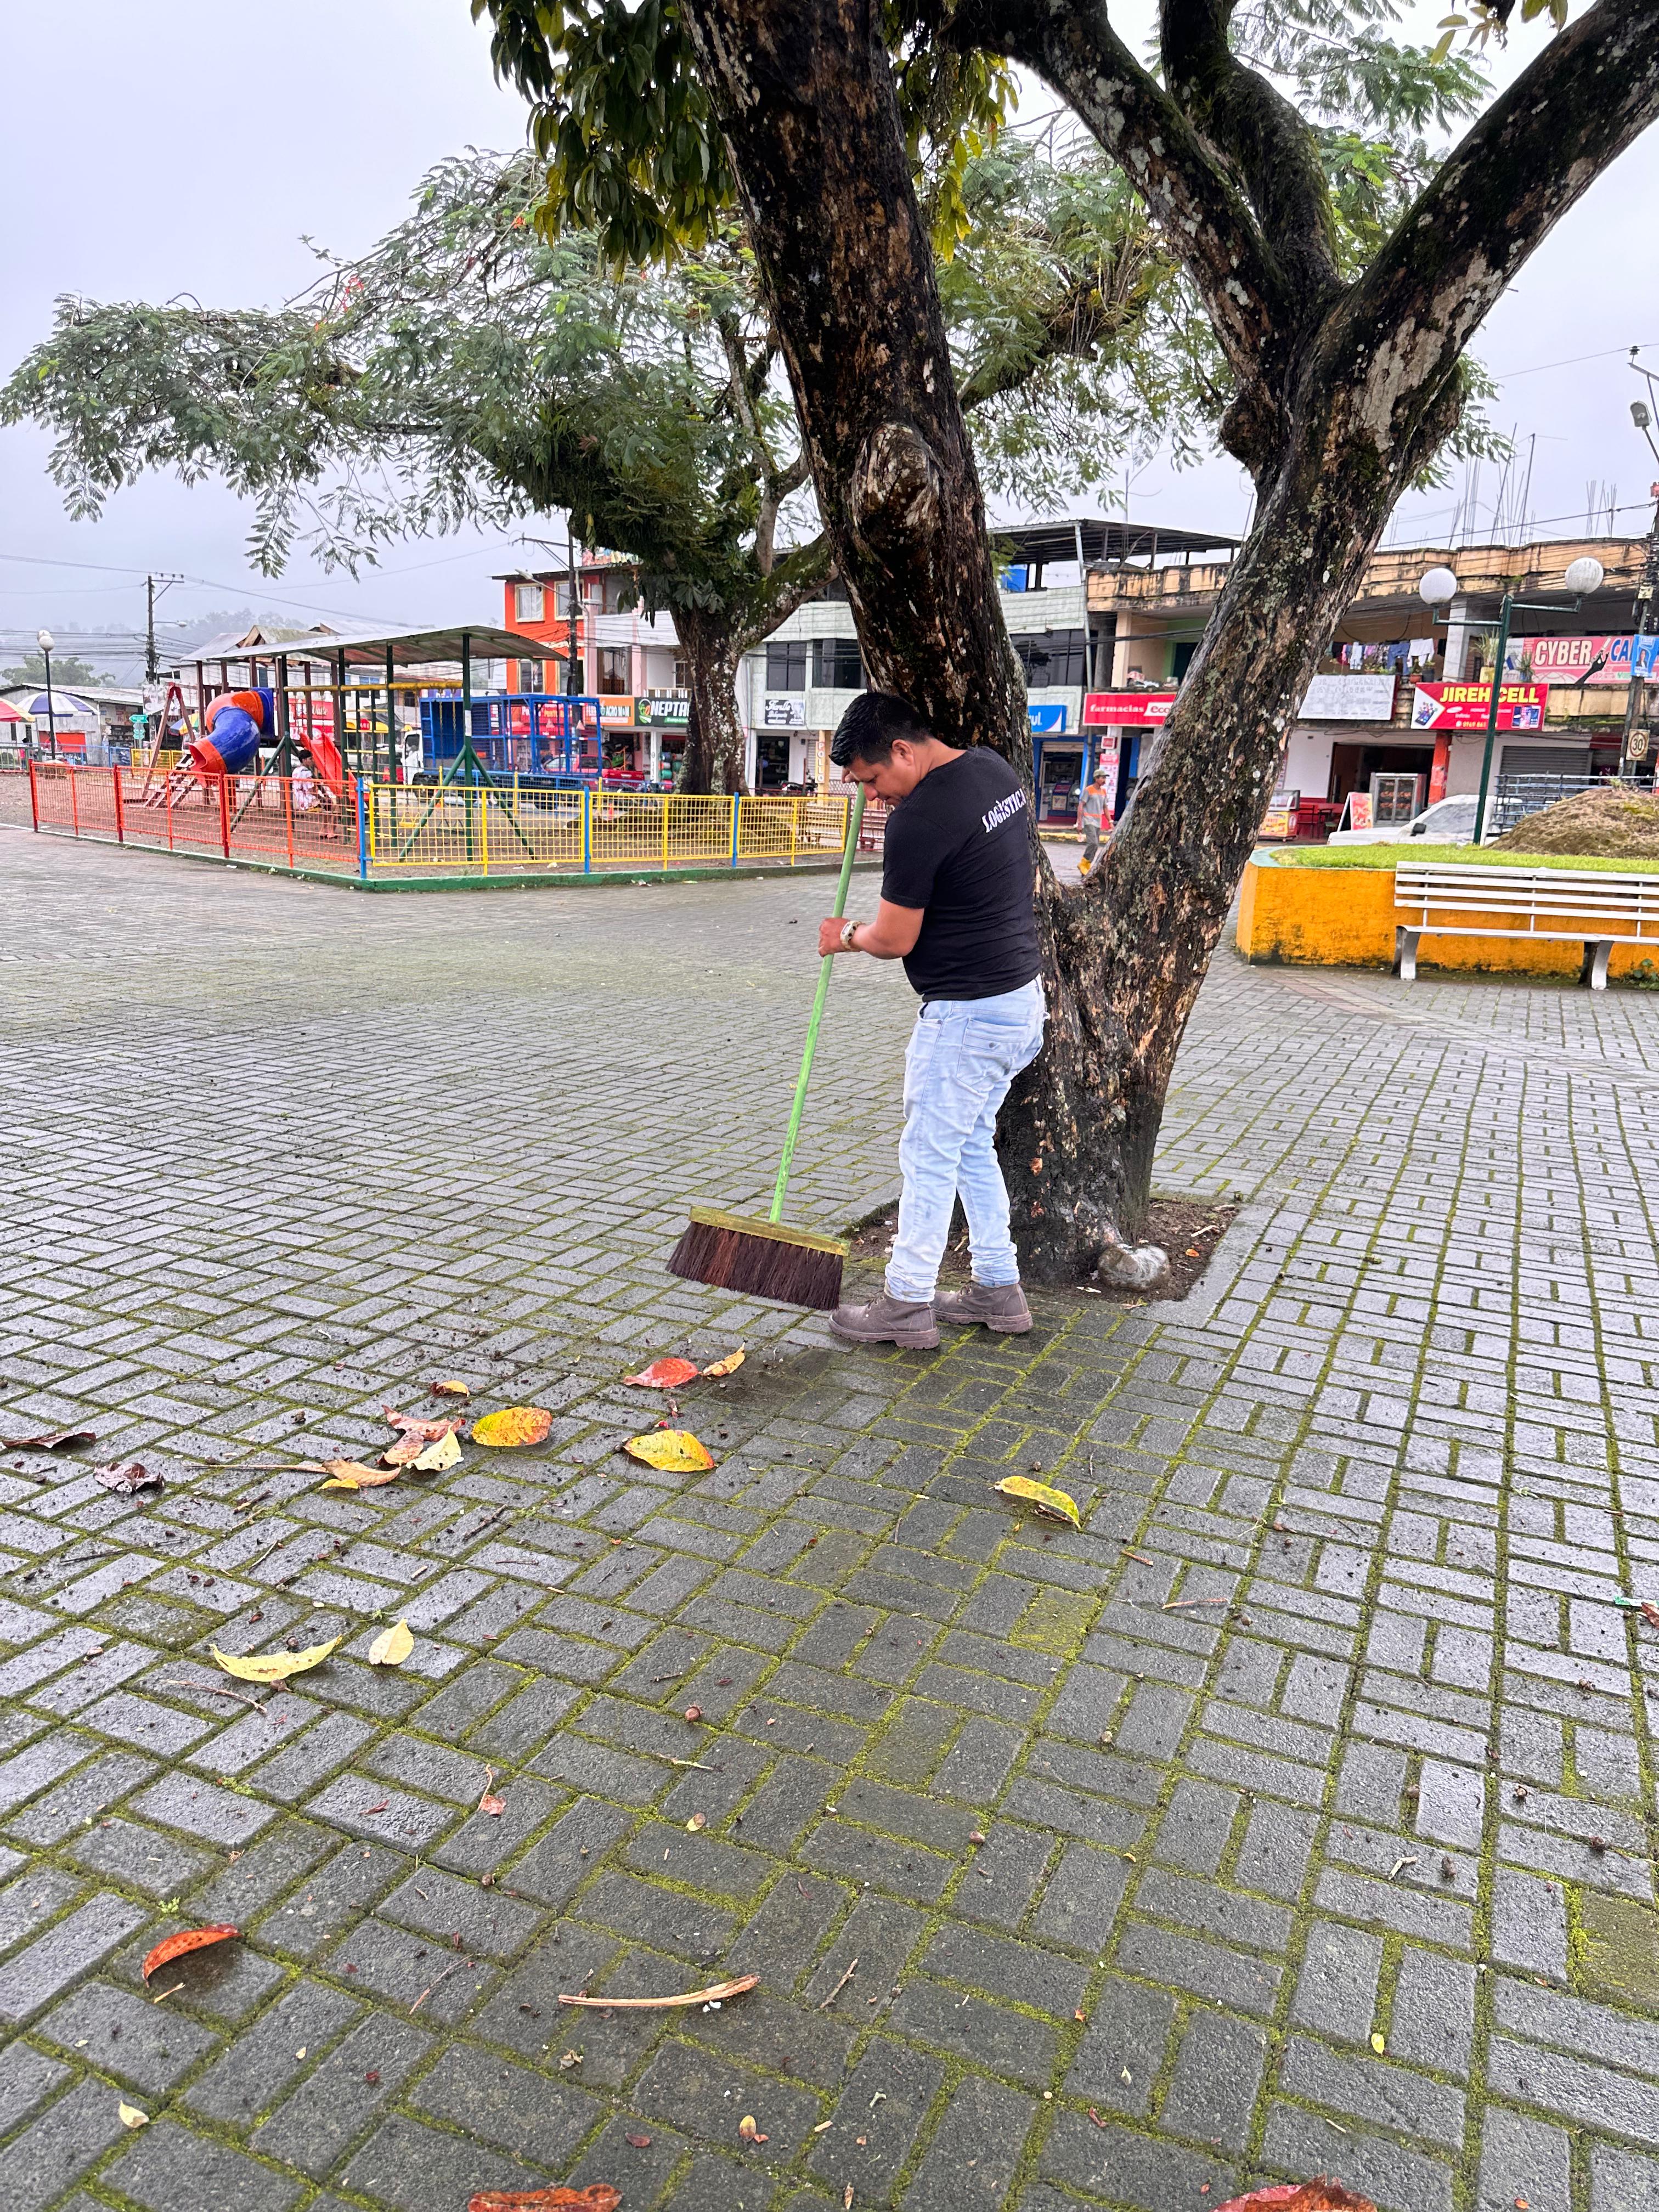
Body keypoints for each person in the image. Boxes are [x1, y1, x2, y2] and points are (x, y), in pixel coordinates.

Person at [817, 691, 1044, 1349]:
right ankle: (998, 1289)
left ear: (901, 750)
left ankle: (906, 1302)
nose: (873, 798)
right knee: (970, 1148)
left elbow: (894, 939)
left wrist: (845, 935)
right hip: (1020, 1003)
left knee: (928, 1156)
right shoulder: (992, 769)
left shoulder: (918, 820)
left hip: (968, 1017)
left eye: (872, 780)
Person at [1076, 764, 1113, 875]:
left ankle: (1086, 865)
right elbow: (1081, 805)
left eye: (1105, 778)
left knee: (1096, 846)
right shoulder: (1089, 790)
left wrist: (1110, 822)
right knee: (1093, 843)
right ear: (1096, 778)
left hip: (1098, 822)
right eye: (1102, 778)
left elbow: (1105, 807)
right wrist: (1079, 822)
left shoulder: (1103, 792)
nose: (1104, 780)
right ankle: (1083, 863)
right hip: (1088, 820)